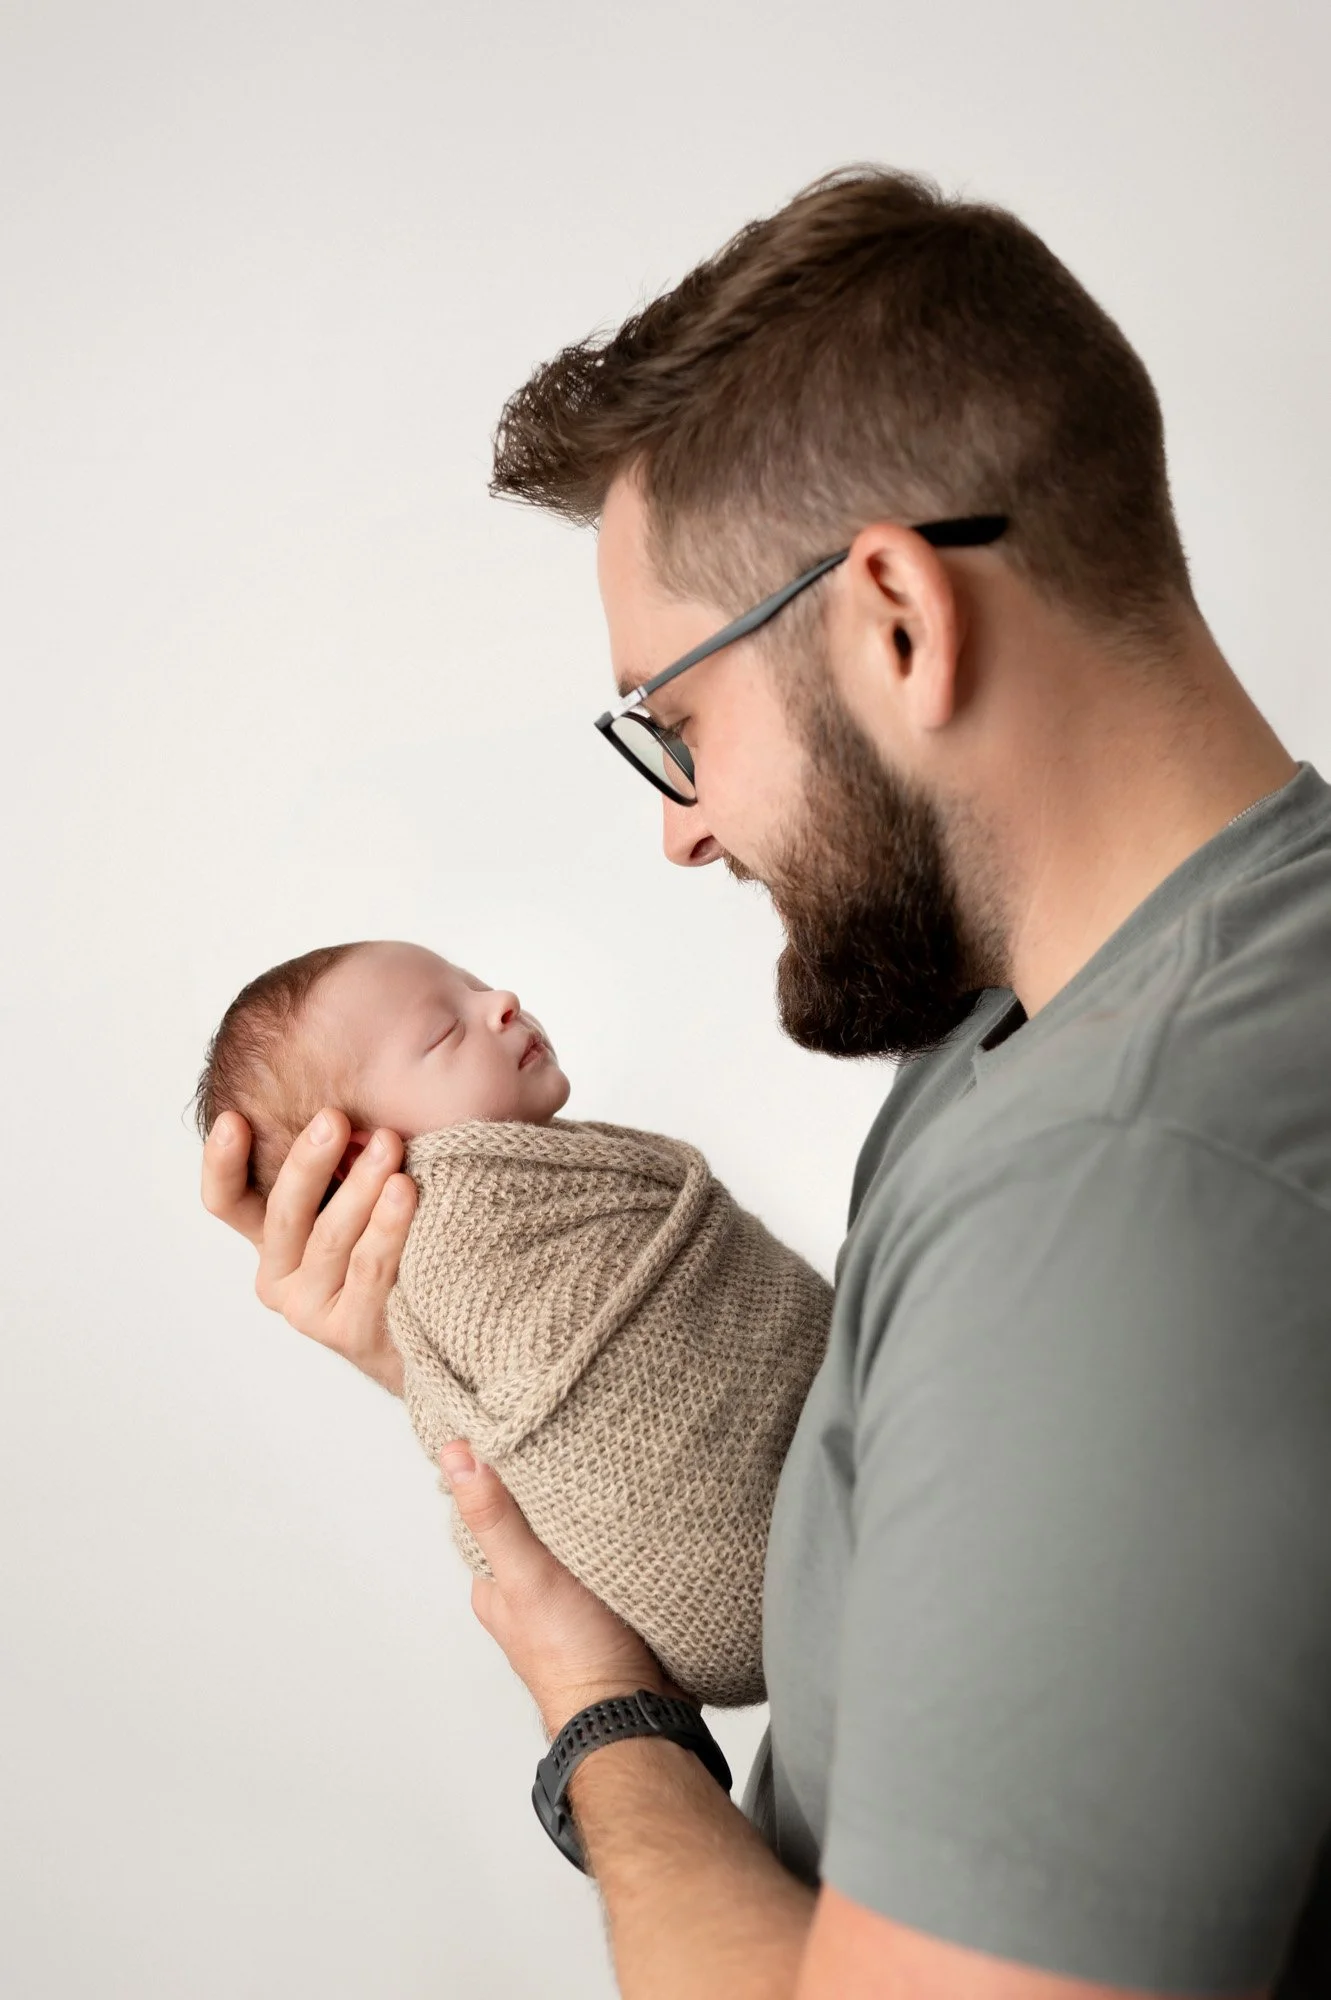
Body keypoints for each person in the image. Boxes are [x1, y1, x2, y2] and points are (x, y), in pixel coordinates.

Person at [202, 167, 1331, 1998]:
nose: (680, 827)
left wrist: (598, 1716)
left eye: (681, 719)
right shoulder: (1045, 1037)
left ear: (892, 613)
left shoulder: (1130, 1192)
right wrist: (448, 1350)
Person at [193, 938, 831, 1707]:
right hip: (751, 1579)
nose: (500, 1002)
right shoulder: (456, 1249)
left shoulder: (554, 1170)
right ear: (359, 1155)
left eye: (477, 986)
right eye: (445, 1030)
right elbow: (510, 1427)